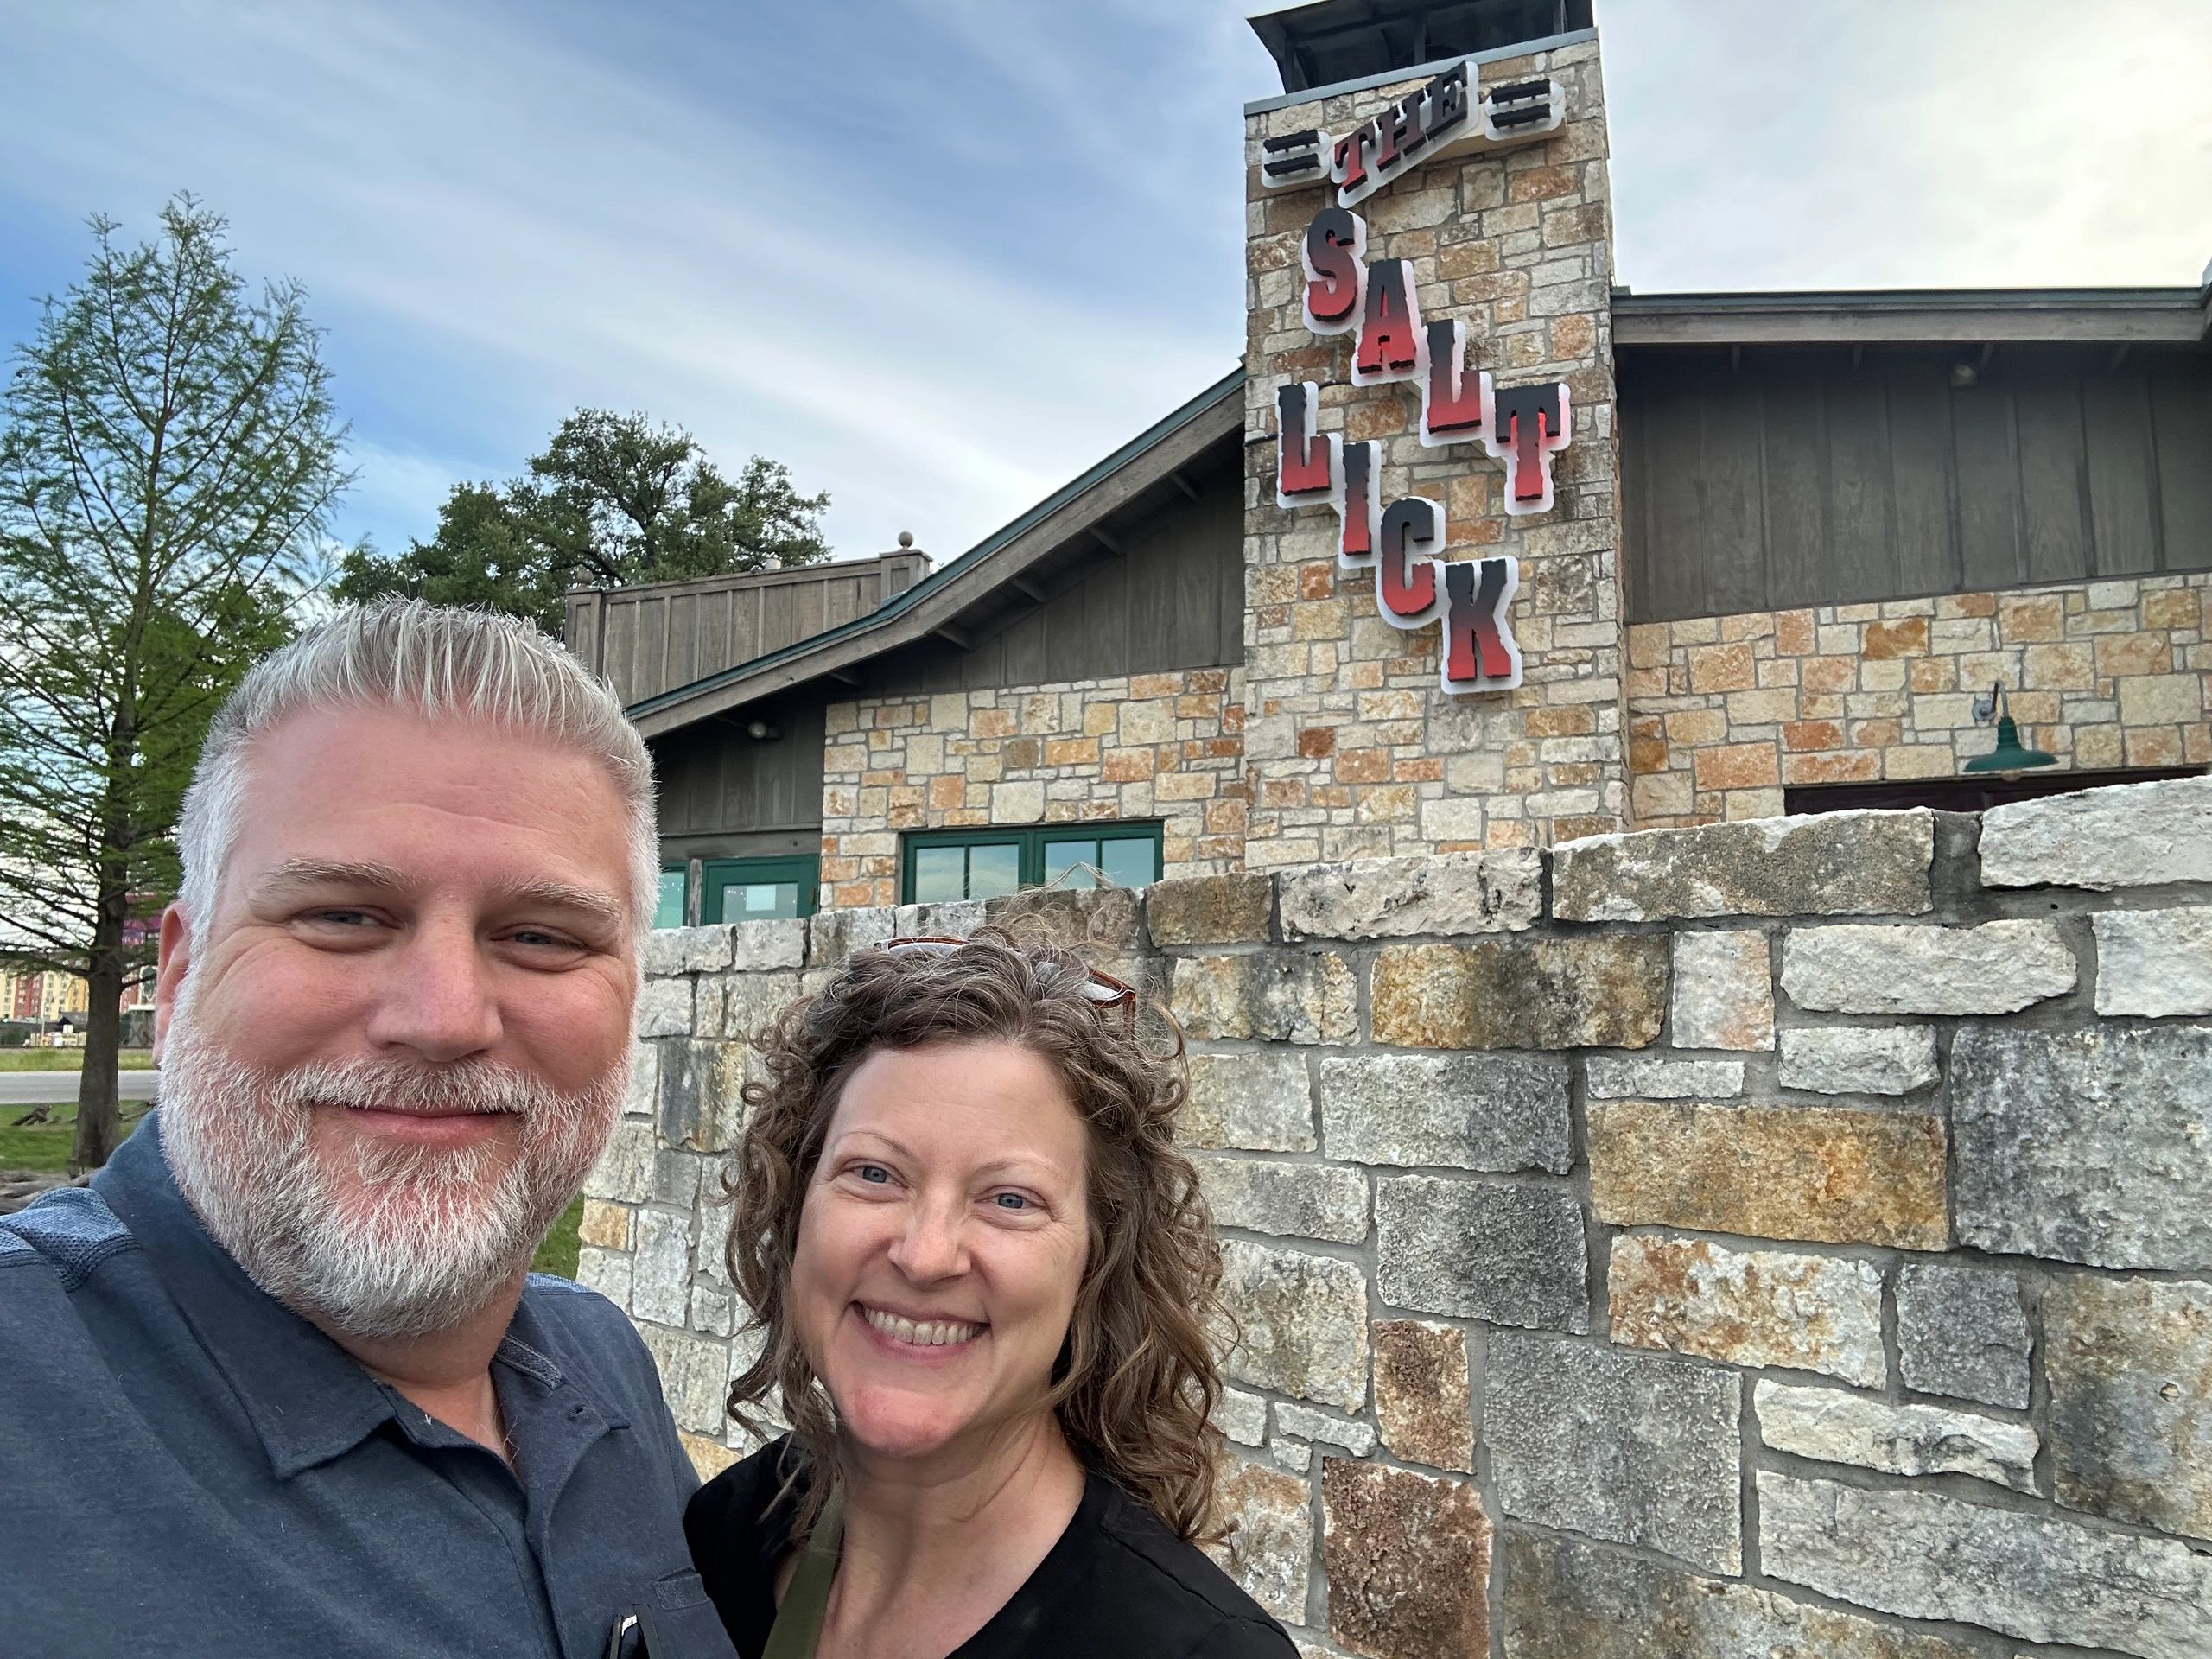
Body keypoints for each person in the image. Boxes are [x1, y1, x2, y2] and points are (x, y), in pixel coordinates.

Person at [0, 601, 737, 1659]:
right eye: (342, 916)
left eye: (539, 937)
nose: (442, 1019)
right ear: (176, 972)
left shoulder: (599, 1360)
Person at [684, 931, 1296, 1659]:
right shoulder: (722, 1539)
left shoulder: (1200, 1650)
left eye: (1010, 1199)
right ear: (794, 1209)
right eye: (875, 1174)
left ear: (1097, 1263)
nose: (925, 1254)